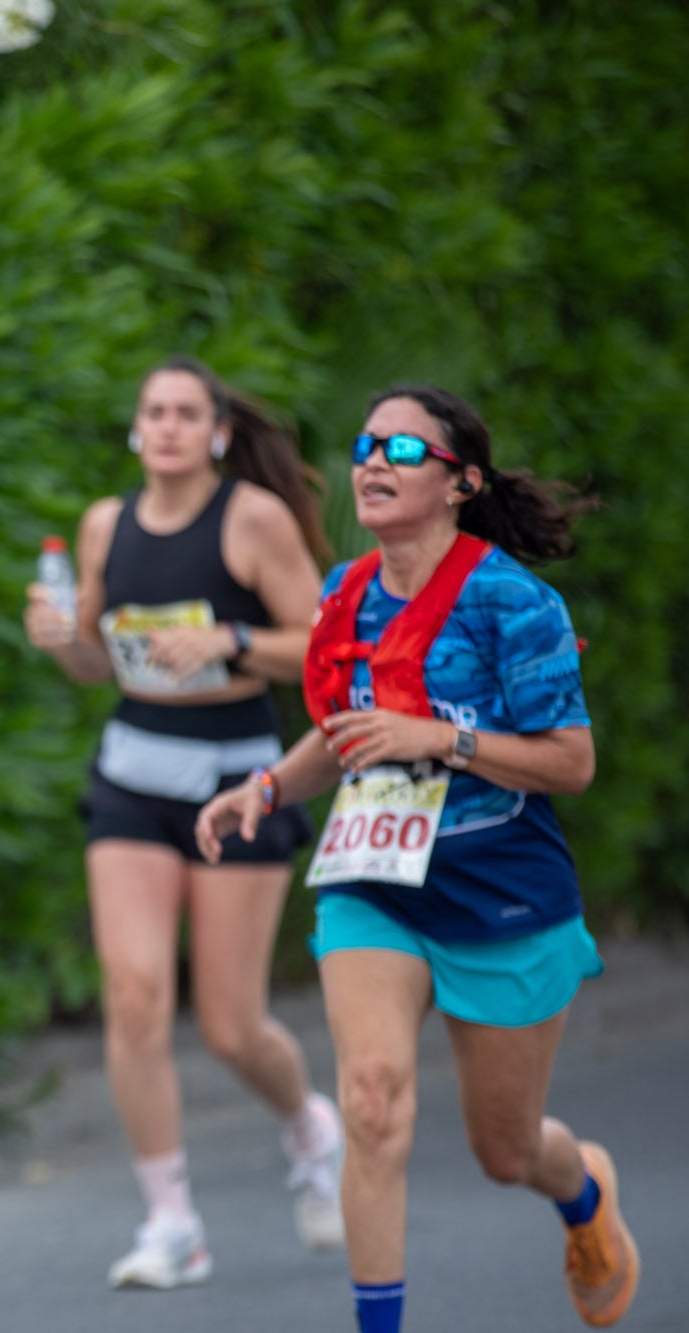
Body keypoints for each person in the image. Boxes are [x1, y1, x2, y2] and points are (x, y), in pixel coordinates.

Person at [194, 385, 639, 1331]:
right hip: (377, 885)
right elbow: (343, 733)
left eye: (400, 447)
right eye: (363, 445)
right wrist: (265, 789)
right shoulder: (342, 594)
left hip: (503, 896)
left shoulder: (514, 604)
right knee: (371, 1102)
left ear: (460, 481)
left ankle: (583, 1190)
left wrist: (440, 739)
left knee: (508, 1150)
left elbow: (572, 762)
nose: (371, 461)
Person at [24, 356, 345, 1289]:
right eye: (151, 411)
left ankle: (307, 1127)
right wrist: (65, 642)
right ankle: (171, 1221)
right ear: (136, 429)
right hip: (131, 772)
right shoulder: (104, 524)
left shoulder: (252, 517)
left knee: (232, 1024)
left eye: (184, 413)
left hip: (237, 777)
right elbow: (101, 664)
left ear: (215, 432)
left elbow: (327, 645)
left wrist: (232, 638)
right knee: (132, 996)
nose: (165, 426)